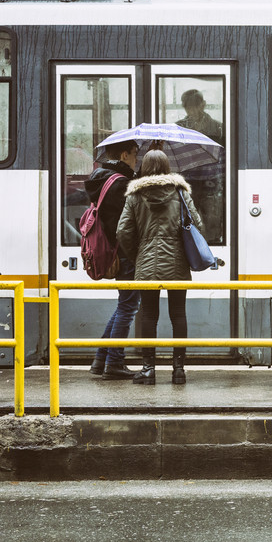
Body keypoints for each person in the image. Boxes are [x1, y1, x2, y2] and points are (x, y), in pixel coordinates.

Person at [116, 149, 205, 386]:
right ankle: (179, 370)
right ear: (167, 167)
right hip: (178, 262)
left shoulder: (134, 196)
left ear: (144, 168)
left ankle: (148, 370)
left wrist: (138, 255)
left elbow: (123, 232)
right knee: (178, 314)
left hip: (146, 263)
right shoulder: (180, 193)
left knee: (148, 315)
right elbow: (197, 224)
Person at [85, 139, 140, 381]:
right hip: (126, 253)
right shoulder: (121, 184)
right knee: (128, 307)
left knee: (123, 305)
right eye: (136, 154)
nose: (137, 159)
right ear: (125, 154)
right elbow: (126, 225)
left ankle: (101, 359)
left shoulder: (103, 179)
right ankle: (114, 361)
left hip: (114, 251)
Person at [175, 89, 225, 243]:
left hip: (212, 180)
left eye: (196, 106)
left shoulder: (218, 128)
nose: (193, 111)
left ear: (203, 105)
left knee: (212, 221)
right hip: (187, 181)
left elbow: (223, 156)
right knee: (188, 221)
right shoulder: (178, 128)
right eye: (188, 108)